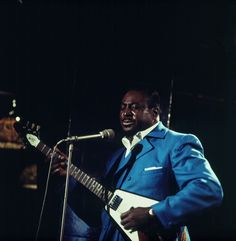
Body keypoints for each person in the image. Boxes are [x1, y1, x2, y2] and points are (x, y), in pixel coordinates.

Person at [52, 84, 223, 241]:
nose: (126, 112)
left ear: (155, 112)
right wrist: (71, 178)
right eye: (123, 107)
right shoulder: (117, 156)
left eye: (134, 107)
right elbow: (97, 214)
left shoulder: (176, 143)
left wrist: (153, 213)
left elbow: (208, 189)